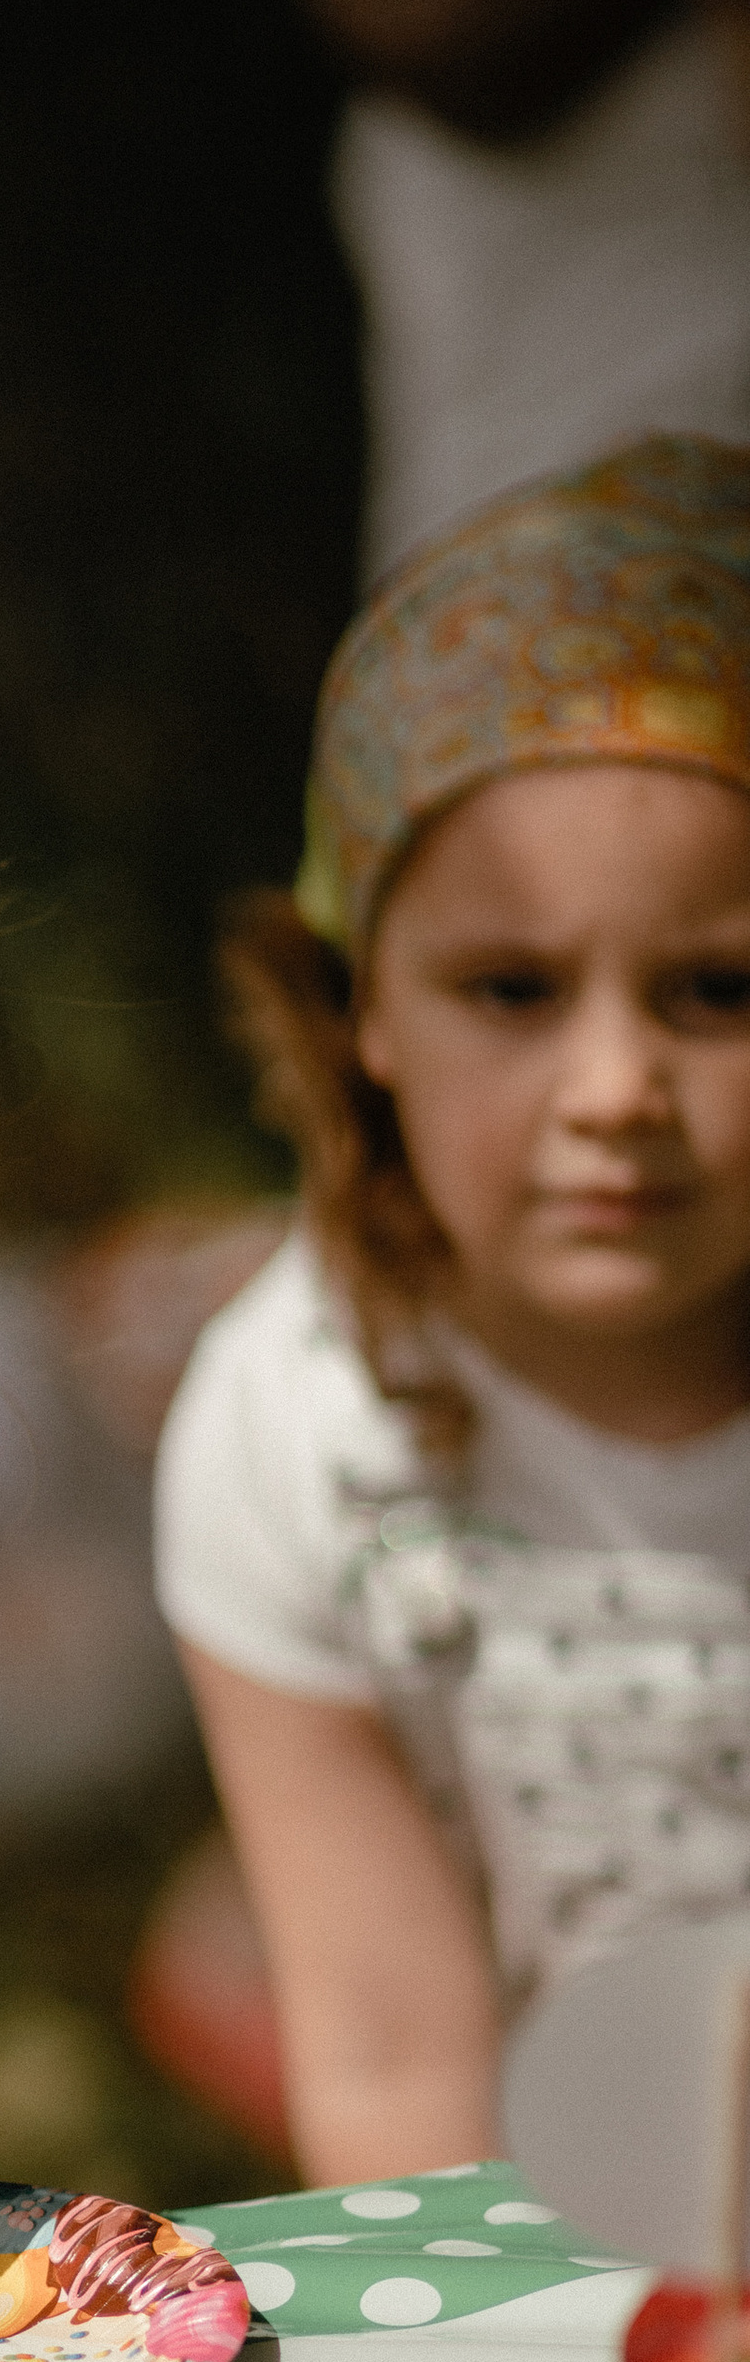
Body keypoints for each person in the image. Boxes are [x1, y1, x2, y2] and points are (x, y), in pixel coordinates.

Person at [156, 434, 750, 2182]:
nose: (615, 1087)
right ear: (361, 1010)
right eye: (514, 988)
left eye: (718, 987)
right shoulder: (297, 1421)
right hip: (573, 2239)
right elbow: (390, 2044)